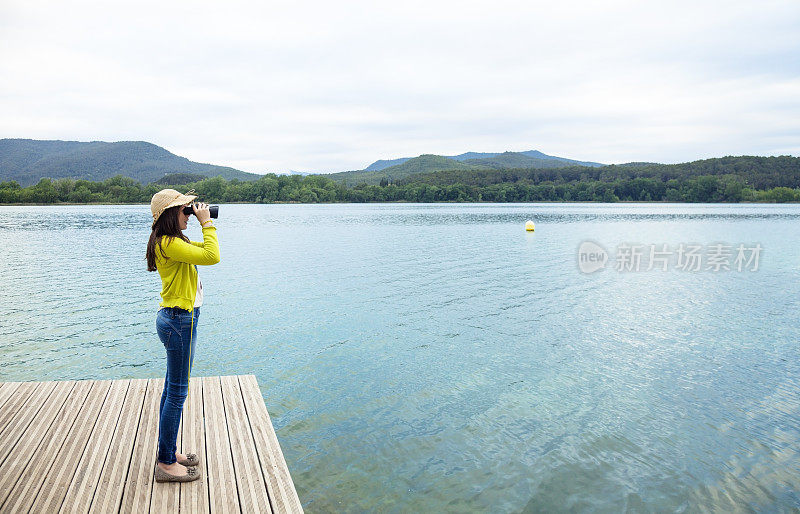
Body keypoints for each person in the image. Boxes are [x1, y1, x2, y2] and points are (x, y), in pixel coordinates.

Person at [146, 188, 220, 483]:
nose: (188, 213)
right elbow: (212, 256)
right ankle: (165, 464)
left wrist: (196, 219)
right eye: (183, 210)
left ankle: (168, 450)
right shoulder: (168, 243)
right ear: (169, 215)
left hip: (178, 318)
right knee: (177, 393)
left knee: (171, 389)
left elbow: (201, 254)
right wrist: (207, 222)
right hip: (178, 321)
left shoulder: (171, 241)